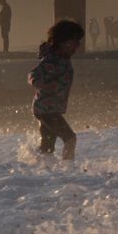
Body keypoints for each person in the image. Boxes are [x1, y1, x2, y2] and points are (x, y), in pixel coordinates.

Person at [28, 18, 84, 161]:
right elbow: (34, 74)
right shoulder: (52, 60)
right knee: (70, 139)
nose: (77, 46)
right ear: (63, 42)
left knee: (47, 148)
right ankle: (68, 172)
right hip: (46, 109)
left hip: (47, 108)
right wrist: (39, 83)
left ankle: (38, 172)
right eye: (75, 41)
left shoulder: (62, 57)